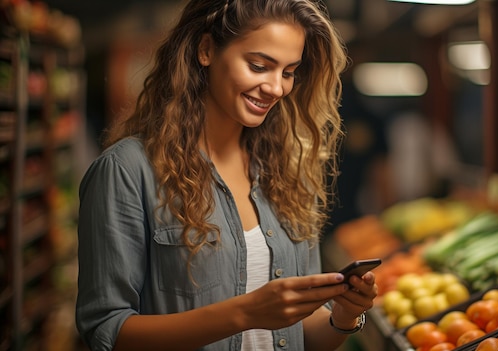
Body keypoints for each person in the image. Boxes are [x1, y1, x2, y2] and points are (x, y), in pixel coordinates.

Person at [75, 0, 378, 350]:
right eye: (259, 66)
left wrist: (342, 316)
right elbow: (107, 332)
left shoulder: (287, 174)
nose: (276, 88)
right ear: (206, 50)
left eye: (288, 72)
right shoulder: (127, 171)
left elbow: (300, 334)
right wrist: (245, 313)